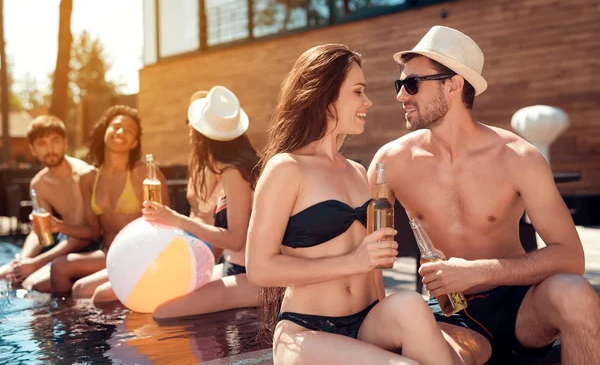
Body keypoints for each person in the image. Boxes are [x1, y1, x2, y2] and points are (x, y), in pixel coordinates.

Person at [369, 25, 600, 364]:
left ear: (453, 85)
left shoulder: (517, 157)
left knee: (575, 293)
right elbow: (363, 250)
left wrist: (480, 271)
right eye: (399, 85)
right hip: (454, 314)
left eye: (412, 84)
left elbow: (570, 258)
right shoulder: (392, 162)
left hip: (524, 306)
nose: (401, 95)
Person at [245, 44, 454, 365]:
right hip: (307, 330)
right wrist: (353, 261)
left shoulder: (357, 171)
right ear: (325, 96)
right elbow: (260, 269)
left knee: (413, 305)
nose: (367, 101)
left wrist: (375, 279)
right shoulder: (286, 168)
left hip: (369, 320)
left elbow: (372, 269)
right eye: (358, 91)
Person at [146, 86, 259, 319]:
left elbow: (236, 240)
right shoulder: (228, 167)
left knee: (162, 313)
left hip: (253, 276)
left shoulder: (234, 172)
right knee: (161, 297)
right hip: (233, 267)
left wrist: (176, 220)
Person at [50, 105, 170, 305]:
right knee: (58, 268)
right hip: (107, 252)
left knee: (81, 289)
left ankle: (98, 330)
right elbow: (93, 231)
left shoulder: (145, 174)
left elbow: (166, 225)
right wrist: (58, 225)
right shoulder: (89, 178)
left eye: (129, 130)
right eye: (115, 126)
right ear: (105, 131)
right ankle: (68, 330)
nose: (120, 132)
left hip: (139, 252)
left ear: (135, 143)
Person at [0, 115, 97, 292]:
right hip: (64, 240)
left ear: (65, 143)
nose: (50, 149)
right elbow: (40, 232)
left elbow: (83, 236)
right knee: (6, 274)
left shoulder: (83, 175)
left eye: (55, 141)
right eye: (42, 144)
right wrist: (22, 262)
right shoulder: (39, 183)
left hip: (89, 242)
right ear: (33, 149)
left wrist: (36, 263)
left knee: (31, 285)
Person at [184, 90, 224, 263]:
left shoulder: (223, 163)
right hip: (190, 240)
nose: (190, 126)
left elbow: (208, 210)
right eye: (189, 120)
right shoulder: (196, 161)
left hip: (211, 247)